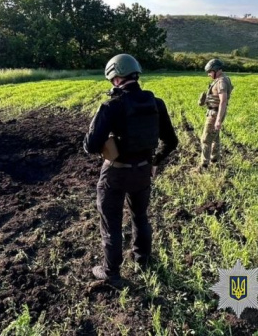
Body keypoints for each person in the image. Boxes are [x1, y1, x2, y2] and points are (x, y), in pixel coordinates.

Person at [83, 53, 178, 283]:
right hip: (144, 170)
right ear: (135, 75)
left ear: (115, 78)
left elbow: (90, 145)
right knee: (140, 216)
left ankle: (111, 272)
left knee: (111, 222)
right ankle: (142, 259)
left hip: (116, 173)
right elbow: (171, 141)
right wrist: (155, 162)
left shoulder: (111, 106)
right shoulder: (157, 103)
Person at [197, 58, 233, 170]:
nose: (208, 74)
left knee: (206, 139)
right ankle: (214, 159)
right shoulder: (223, 79)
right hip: (215, 112)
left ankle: (204, 165)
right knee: (215, 137)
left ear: (216, 70)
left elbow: (223, 101)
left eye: (210, 72)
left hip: (214, 113)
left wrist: (218, 120)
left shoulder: (221, 82)